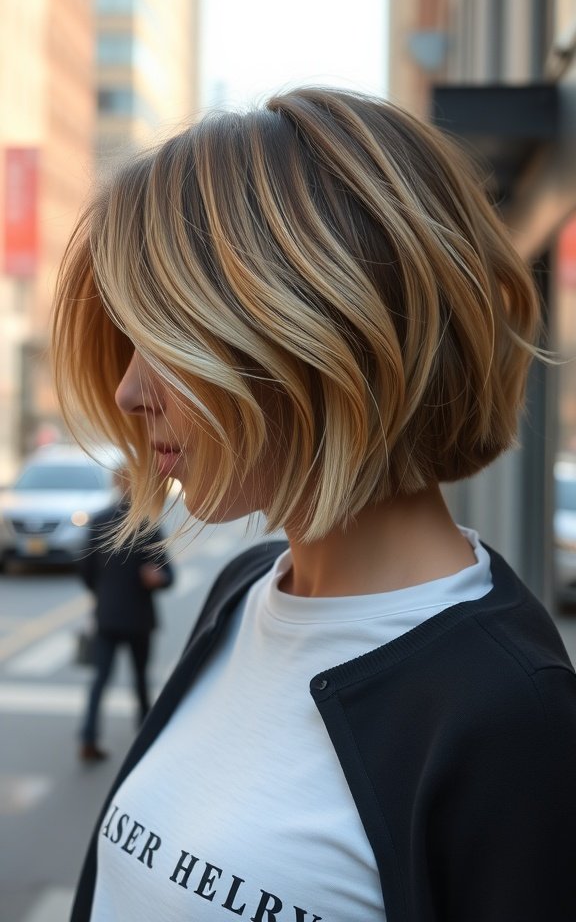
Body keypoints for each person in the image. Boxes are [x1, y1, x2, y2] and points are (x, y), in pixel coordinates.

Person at [52, 88, 576, 921]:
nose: (127, 390)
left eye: (168, 338)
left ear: (323, 333)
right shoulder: (243, 595)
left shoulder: (513, 712)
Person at [78, 470, 174, 762]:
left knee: (101, 679)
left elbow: (85, 572)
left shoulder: (100, 520)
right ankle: (144, 741)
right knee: (140, 680)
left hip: (107, 616)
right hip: (137, 616)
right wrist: (157, 579)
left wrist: (104, 594)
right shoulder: (146, 524)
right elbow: (169, 575)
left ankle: (88, 738)